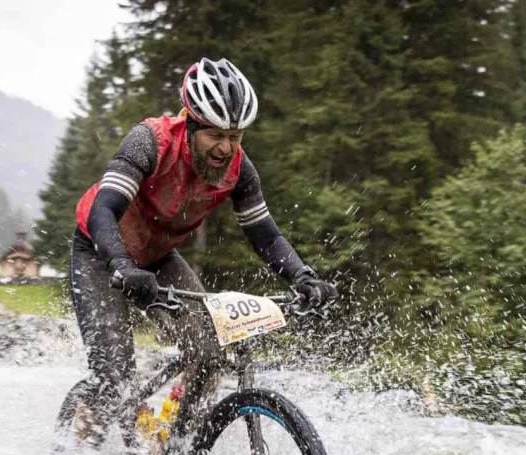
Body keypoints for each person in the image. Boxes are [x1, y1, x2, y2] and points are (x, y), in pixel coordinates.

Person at [71, 57, 338, 428]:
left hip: (158, 256)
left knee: (211, 355)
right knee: (114, 373)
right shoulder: (150, 142)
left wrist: (302, 277)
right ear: (190, 123)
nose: (226, 148)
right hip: (100, 252)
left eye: (236, 136)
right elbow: (104, 210)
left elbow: (265, 234)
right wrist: (121, 265)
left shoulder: (240, 170)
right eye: (215, 134)